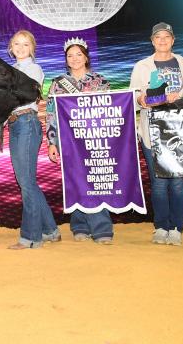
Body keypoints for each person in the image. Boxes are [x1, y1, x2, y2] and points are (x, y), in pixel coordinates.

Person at [0, 30, 61, 249]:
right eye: (17, 44)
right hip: (15, 125)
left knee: (26, 183)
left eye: (26, 44)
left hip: (27, 123)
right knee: (27, 182)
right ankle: (50, 230)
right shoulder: (8, 71)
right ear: (11, 47)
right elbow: (4, 107)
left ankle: (31, 237)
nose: (21, 48)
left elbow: (16, 98)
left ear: (32, 48)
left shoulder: (34, 69)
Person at [130, 22, 183, 246]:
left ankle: (177, 228)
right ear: (152, 41)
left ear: (173, 40)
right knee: (159, 182)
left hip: (180, 130)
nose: (162, 41)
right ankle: (161, 226)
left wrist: (179, 97)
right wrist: (144, 100)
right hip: (152, 131)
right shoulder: (142, 66)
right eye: (158, 37)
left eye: (166, 37)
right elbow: (133, 97)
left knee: (178, 182)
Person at [45, 38, 113, 244]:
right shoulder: (58, 83)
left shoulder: (100, 81)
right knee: (74, 181)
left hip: (94, 139)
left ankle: (102, 229)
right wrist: (52, 142)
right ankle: (79, 225)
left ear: (86, 57)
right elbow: (51, 114)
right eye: (70, 55)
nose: (74, 59)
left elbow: (109, 110)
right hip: (68, 140)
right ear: (66, 59)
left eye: (78, 54)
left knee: (95, 182)